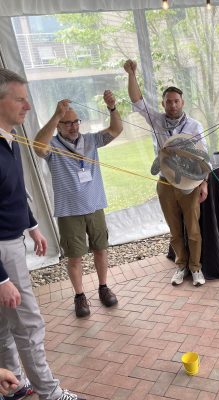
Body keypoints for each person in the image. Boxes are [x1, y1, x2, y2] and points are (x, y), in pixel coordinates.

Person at [0, 68, 84, 400]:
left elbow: (14, 192)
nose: (27, 106)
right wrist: (1, 278)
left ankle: (14, 383)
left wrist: (33, 226)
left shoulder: (10, 138)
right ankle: (50, 393)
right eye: (20, 99)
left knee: (5, 325)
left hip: (13, 240)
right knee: (29, 323)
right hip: (3, 251)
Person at [34, 93, 122, 318]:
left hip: (95, 206)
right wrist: (56, 115)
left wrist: (112, 108)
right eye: (67, 122)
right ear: (59, 126)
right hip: (69, 211)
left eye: (75, 122)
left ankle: (103, 287)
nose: (73, 127)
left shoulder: (91, 140)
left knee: (101, 249)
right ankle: (80, 296)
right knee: (74, 256)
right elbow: (37, 146)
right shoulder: (52, 145)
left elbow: (116, 130)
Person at [124, 59, 208, 287]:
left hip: (189, 185)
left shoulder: (194, 126)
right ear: (163, 103)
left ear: (183, 102)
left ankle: (196, 268)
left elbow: (203, 157)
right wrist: (132, 73)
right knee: (174, 230)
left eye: (176, 101)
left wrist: (204, 184)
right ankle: (181, 266)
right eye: (168, 101)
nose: (172, 105)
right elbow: (137, 101)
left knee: (193, 229)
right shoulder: (156, 121)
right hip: (165, 183)